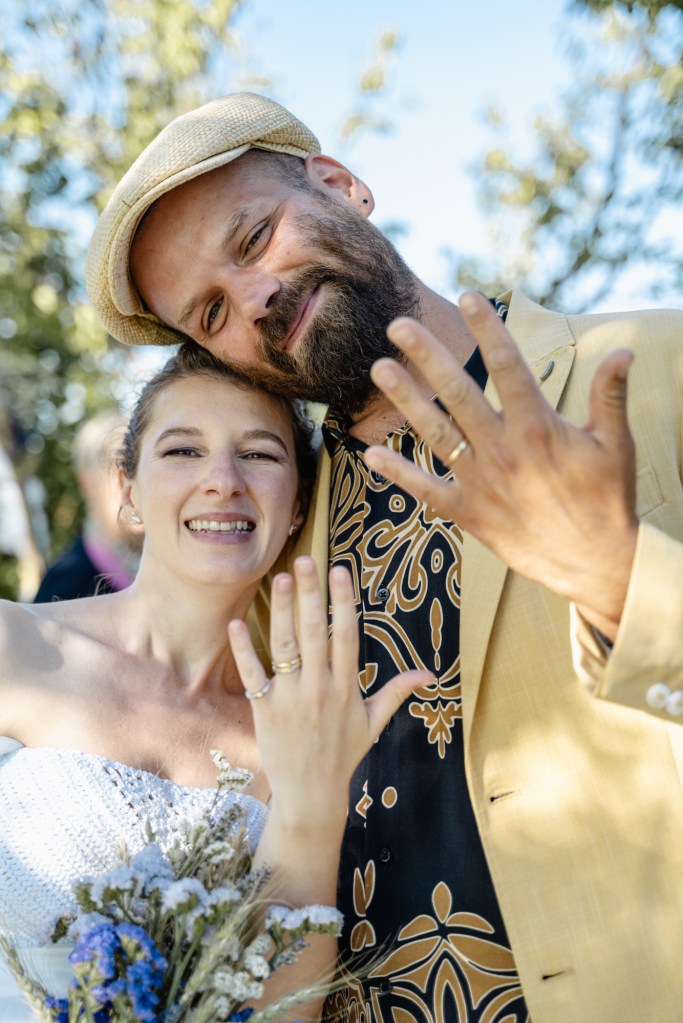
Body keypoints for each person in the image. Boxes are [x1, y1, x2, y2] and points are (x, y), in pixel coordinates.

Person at [85, 93, 683, 1023]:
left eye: (254, 238)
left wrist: (618, 580)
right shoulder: (271, 539)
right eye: (211, 311)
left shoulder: (653, 367)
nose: (255, 298)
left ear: (341, 185)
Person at [0, 343, 430, 1022]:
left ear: (297, 505)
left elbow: (285, 1010)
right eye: (182, 450)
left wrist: (312, 801)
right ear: (129, 489)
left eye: (259, 454)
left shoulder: (299, 729)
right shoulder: (15, 644)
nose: (223, 480)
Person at [33, 412, 139, 602]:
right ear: (88, 485)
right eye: (122, 473)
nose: (135, 486)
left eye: (138, 470)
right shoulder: (67, 583)